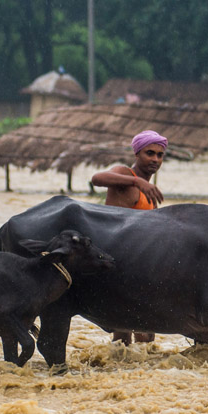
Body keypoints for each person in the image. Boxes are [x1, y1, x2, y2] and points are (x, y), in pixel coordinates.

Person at [88, 129, 168, 344]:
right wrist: (137, 182)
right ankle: (119, 368)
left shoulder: (150, 193)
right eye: (149, 153)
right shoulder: (125, 175)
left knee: (147, 332)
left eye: (160, 155)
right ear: (137, 154)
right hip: (117, 260)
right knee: (123, 330)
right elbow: (96, 178)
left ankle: (142, 374)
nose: (155, 159)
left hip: (141, 263)